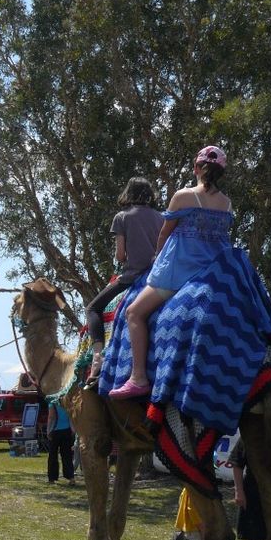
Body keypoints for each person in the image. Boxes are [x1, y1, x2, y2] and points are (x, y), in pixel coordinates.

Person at [113, 146, 232, 399]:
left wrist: (157, 259)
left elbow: (164, 234)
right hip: (215, 274)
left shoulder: (183, 196)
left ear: (196, 168)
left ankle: (138, 377)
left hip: (180, 273)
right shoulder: (226, 203)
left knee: (134, 312)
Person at [83, 178, 164, 386]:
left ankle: (97, 359)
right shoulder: (161, 217)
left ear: (128, 193)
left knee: (92, 308)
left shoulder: (122, 217)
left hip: (132, 278)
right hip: (158, 278)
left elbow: (120, 256)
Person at [46, 401, 75, 484]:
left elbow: (51, 417)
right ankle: (71, 477)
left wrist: (48, 430)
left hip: (55, 431)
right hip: (67, 431)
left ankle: (52, 478)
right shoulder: (68, 403)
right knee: (67, 455)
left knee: (53, 455)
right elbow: (70, 416)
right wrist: (72, 429)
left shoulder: (52, 403)